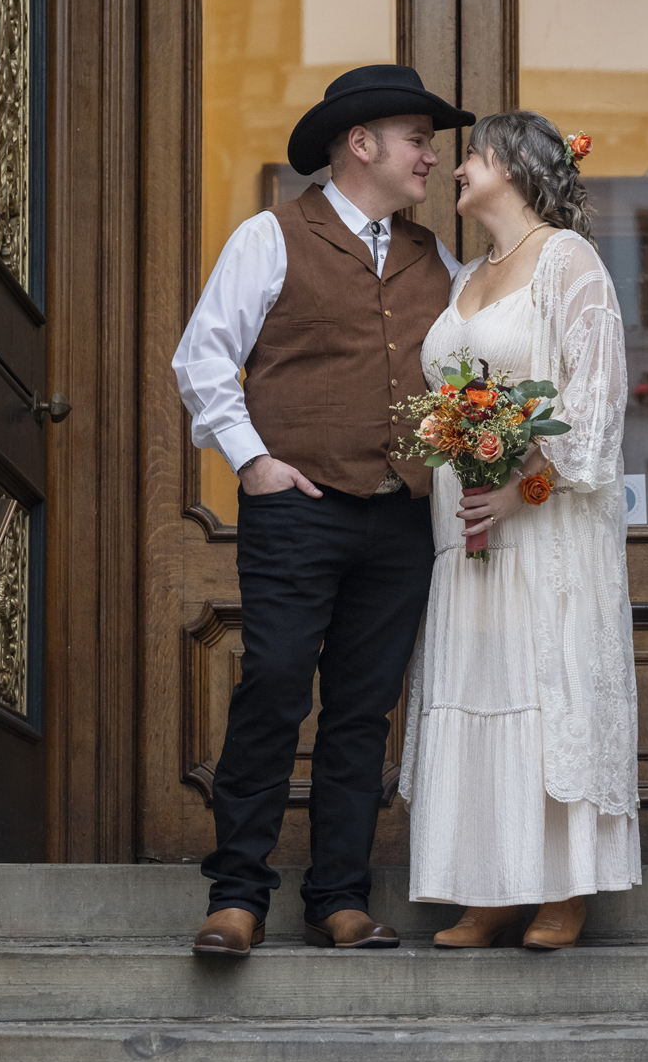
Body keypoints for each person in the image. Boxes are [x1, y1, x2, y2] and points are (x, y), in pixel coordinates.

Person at [172, 65, 474, 957]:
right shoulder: (270, 236)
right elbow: (203, 360)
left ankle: (340, 897)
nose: (431, 156)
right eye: (418, 138)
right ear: (361, 143)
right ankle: (237, 896)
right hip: (297, 508)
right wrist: (253, 462)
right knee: (272, 685)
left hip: (399, 518)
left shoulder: (436, 261)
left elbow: (467, 375)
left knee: (362, 708)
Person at [399, 110, 641, 950]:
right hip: (462, 535)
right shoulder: (467, 275)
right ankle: (488, 885)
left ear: (510, 165)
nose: (456, 169)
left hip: (543, 530)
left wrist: (519, 489)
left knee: (544, 688)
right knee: (481, 685)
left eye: (469, 155)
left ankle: (560, 889)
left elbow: (596, 408)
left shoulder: (569, 263)